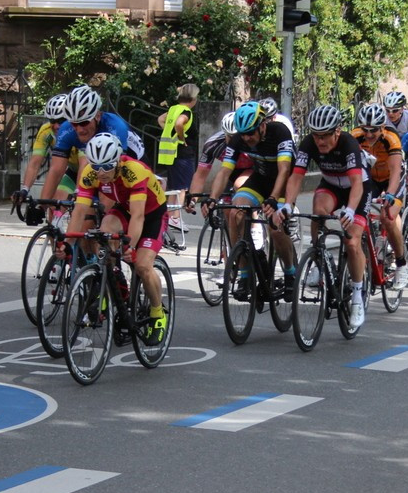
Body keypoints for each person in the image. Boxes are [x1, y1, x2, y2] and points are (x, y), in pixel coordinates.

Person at [59, 133, 170, 345]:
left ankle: (158, 313)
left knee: (143, 266)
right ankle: (113, 285)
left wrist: (130, 245)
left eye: (107, 166)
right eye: (96, 165)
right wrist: (67, 243)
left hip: (152, 214)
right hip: (125, 209)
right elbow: (79, 213)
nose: (101, 172)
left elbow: (138, 216)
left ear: (118, 160)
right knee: (104, 233)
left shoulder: (134, 171)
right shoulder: (90, 174)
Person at [284, 104, 370, 328]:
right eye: (315, 136)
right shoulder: (308, 144)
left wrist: (350, 210)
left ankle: (358, 297)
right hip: (330, 184)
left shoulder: (349, 144)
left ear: (337, 132)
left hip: (356, 189)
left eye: (325, 136)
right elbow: (295, 177)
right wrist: (287, 204)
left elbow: (356, 183)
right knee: (318, 212)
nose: (319, 141)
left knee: (352, 241)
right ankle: (319, 259)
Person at [208, 101, 296, 299]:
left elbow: (284, 170)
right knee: (234, 211)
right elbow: (224, 172)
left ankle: (290, 273)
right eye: (243, 134)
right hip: (261, 179)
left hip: (284, 181)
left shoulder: (279, 132)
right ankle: (245, 274)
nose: (246, 138)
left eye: (250, 133)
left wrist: (274, 199)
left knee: (275, 226)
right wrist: (212, 199)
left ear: (262, 126)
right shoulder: (239, 138)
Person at [38, 85, 133, 207]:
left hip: (122, 170)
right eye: (74, 124)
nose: (79, 129)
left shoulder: (115, 127)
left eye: (84, 122)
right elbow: (56, 170)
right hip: (96, 171)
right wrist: (41, 206)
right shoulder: (66, 129)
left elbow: (113, 175)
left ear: (97, 116)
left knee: (103, 217)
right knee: (67, 211)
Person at [351, 102, 408, 290]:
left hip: (392, 179)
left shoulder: (391, 139)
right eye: (365, 130)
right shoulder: (355, 136)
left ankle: (401, 264)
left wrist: (390, 195)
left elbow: (395, 172)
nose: (368, 135)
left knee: (388, 218)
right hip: (371, 179)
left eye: (373, 130)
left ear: (382, 128)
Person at [16, 94, 77, 213]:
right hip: (74, 172)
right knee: (54, 207)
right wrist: (25, 189)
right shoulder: (46, 131)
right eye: (52, 121)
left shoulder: (78, 131)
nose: (55, 126)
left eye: (61, 121)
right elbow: (35, 163)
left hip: (95, 172)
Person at [157, 83, 200, 234]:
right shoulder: (186, 111)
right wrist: (181, 137)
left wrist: (169, 132)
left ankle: (169, 216)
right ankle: (176, 217)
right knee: (183, 187)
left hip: (170, 154)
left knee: (173, 187)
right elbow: (179, 123)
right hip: (182, 153)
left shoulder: (173, 108)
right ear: (193, 99)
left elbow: (161, 120)